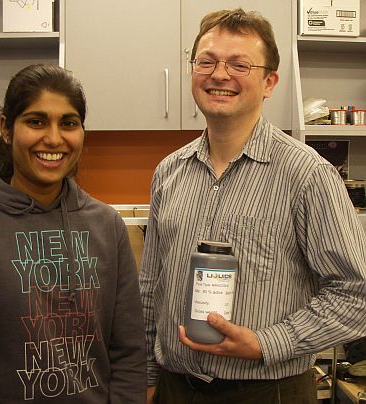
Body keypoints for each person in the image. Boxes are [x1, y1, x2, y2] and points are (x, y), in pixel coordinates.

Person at [139, 8, 366, 404]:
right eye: (206, 61)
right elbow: (149, 287)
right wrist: (147, 376)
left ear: (269, 82)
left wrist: (266, 343)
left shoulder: (307, 175)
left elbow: (355, 295)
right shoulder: (169, 172)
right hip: (175, 388)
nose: (219, 74)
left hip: (268, 391)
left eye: (239, 64)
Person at [0, 64, 146, 403]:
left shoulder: (106, 225)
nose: (54, 138)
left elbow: (129, 352)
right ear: (6, 128)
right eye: (36, 121)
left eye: (68, 123)